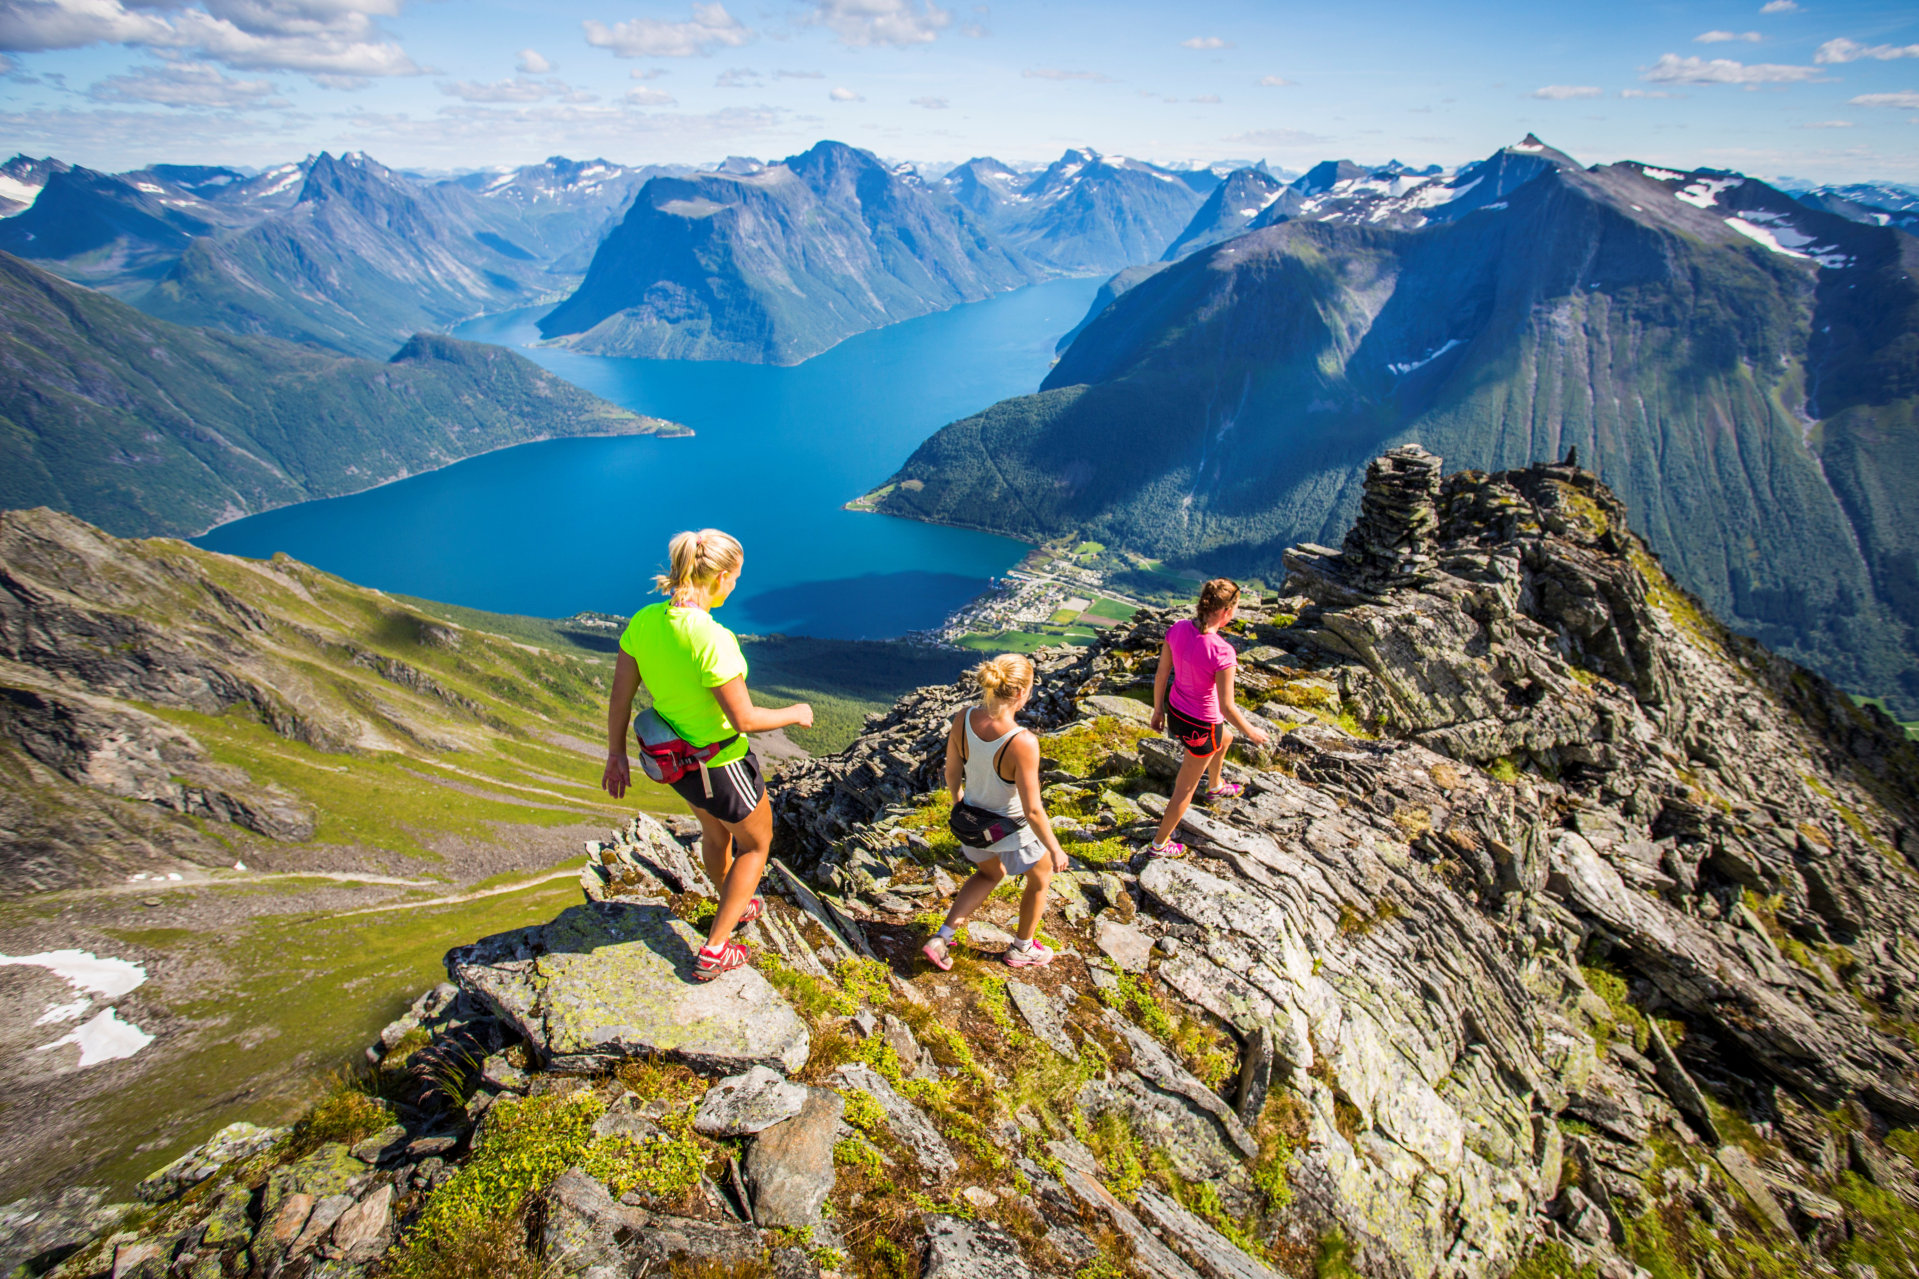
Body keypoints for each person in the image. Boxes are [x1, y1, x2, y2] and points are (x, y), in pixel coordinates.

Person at [601, 529, 813, 981]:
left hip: (677, 764)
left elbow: (620, 698)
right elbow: (744, 720)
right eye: (734, 578)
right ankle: (715, 948)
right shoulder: (712, 638)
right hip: (722, 763)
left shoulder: (644, 621)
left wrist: (615, 753)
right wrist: (797, 711)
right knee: (756, 845)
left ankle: (731, 902)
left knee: (716, 835)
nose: (734, 586)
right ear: (717, 576)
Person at [922, 654, 1071, 971]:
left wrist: (957, 800)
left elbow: (952, 770)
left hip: (972, 824)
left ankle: (941, 938)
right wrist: (1055, 848)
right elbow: (1032, 808)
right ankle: (1022, 948)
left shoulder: (963, 717)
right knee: (1041, 880)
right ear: (1020, 693)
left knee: (990, 873)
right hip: (1012, 830)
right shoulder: (1022, 742)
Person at [1144, 578, 1269, 858]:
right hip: (1201, 725)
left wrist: (1157, 709)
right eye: (1234, 610)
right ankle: (1159, 845)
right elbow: (1227, 707)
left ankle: (1215, 786)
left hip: (1176, 712)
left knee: (1226, 737)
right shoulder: (1223, 652)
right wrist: (1253, 732)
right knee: (1184, 789)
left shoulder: (1177, 629)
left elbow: (1162, 673)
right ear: (1226, 612)